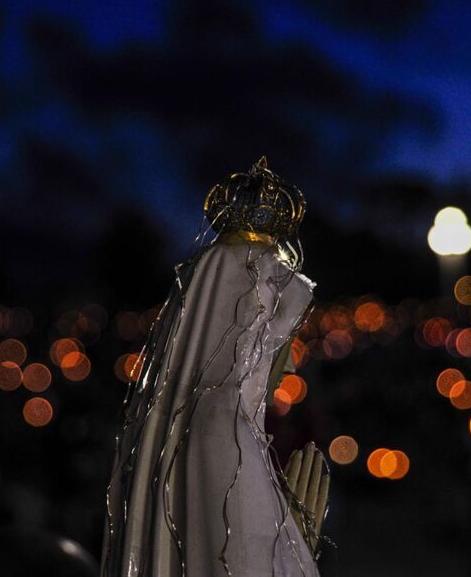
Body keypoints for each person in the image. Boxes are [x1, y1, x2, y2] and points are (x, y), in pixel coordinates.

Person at [101, 158, 330, 576]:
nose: (292, 363)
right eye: (284, 341)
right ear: (250, 333)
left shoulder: (176, 425)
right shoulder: (225, 435)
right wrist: (291, 549)